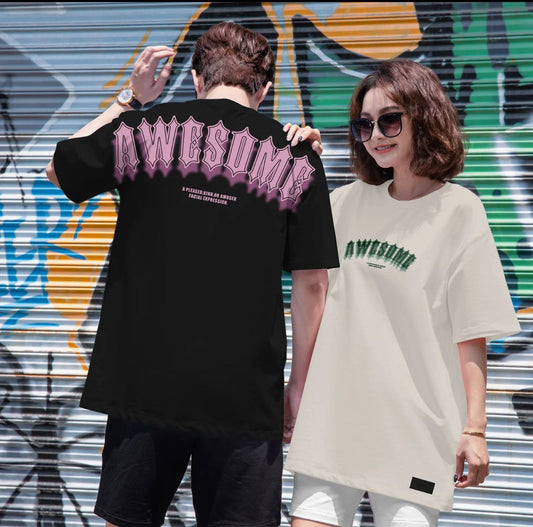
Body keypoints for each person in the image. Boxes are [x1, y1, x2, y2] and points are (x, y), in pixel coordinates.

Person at [45, 22, 339, 527]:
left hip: (144, 385)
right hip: (245, 395)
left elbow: (59, 169)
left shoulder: (143, 130)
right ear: (265, 90)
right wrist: (297, 387)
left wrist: (130, 100)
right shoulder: (297, 158)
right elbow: (312, 284)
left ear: (198, 79)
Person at [282, 59, 521, 527]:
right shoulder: (342, 204)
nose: (375, 135)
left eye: (389, 120)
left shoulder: (460, 211)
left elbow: (471, 332)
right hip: (334, 419)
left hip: (415, 431)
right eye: (364, 125)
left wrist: (475, 429)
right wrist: (294, 158)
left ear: (424, 116)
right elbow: (310, 297)